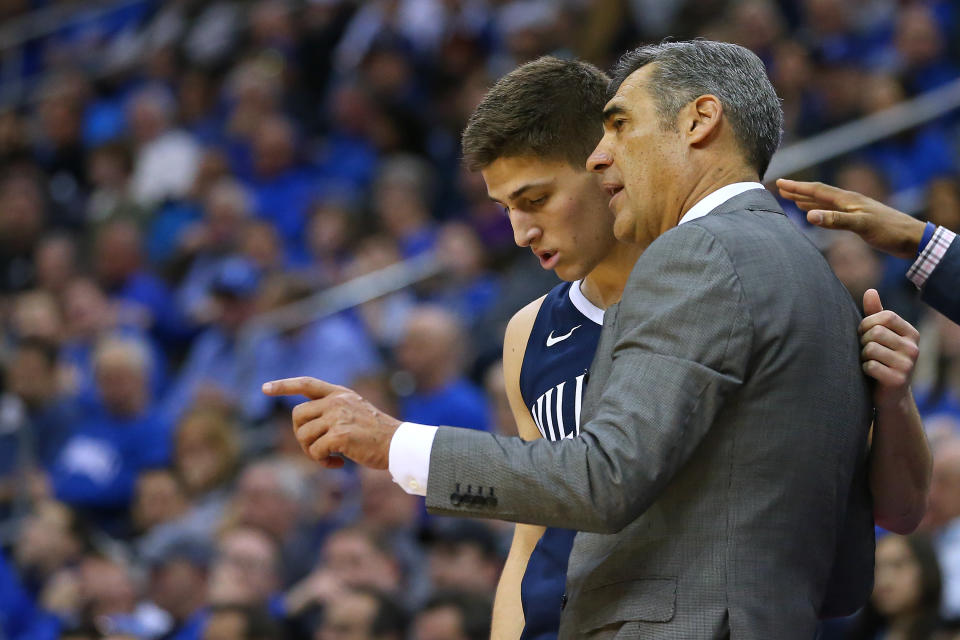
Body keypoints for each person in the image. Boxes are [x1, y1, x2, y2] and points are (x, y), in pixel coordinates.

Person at [265, 41, 895, 637]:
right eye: (505, 208)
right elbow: (533, 534)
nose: (518, 232)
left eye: (536, 199)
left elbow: (605, 477)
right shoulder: (534, 330)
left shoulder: (700, 265)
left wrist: (394, 442)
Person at [777, 177, 960, 324]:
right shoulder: (821, 320)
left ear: (877, 265)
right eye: (839, 262)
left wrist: (918, 238)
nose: (848, 270)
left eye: (852, 260)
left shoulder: (904, 309)